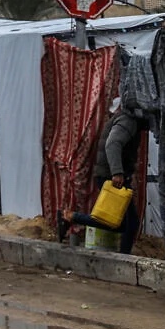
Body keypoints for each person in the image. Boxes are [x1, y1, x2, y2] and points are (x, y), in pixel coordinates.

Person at [58, 97, 146, 254]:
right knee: (128, 223)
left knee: (121, 222)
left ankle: (71, 217)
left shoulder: (126, 119)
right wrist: (117, 173)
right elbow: (112, 144)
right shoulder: (129, 121)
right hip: (111, 176)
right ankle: (71, 216)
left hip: (108, 174)